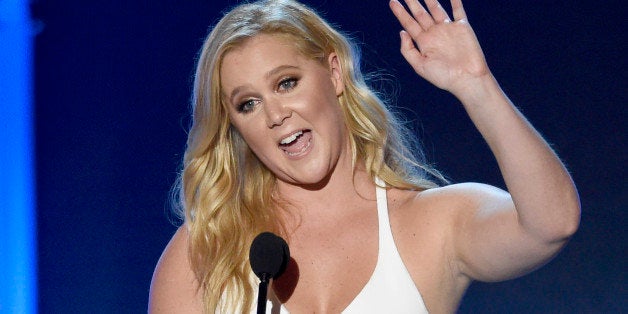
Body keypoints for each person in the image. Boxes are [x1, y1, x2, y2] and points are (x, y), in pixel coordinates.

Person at [149, 0, 581, 312]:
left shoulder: (427, 223)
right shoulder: (207, 247)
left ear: (334, 73)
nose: (276, 115)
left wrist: (476, 85)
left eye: (286, 83)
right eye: (248, 104)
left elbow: (551, 224)